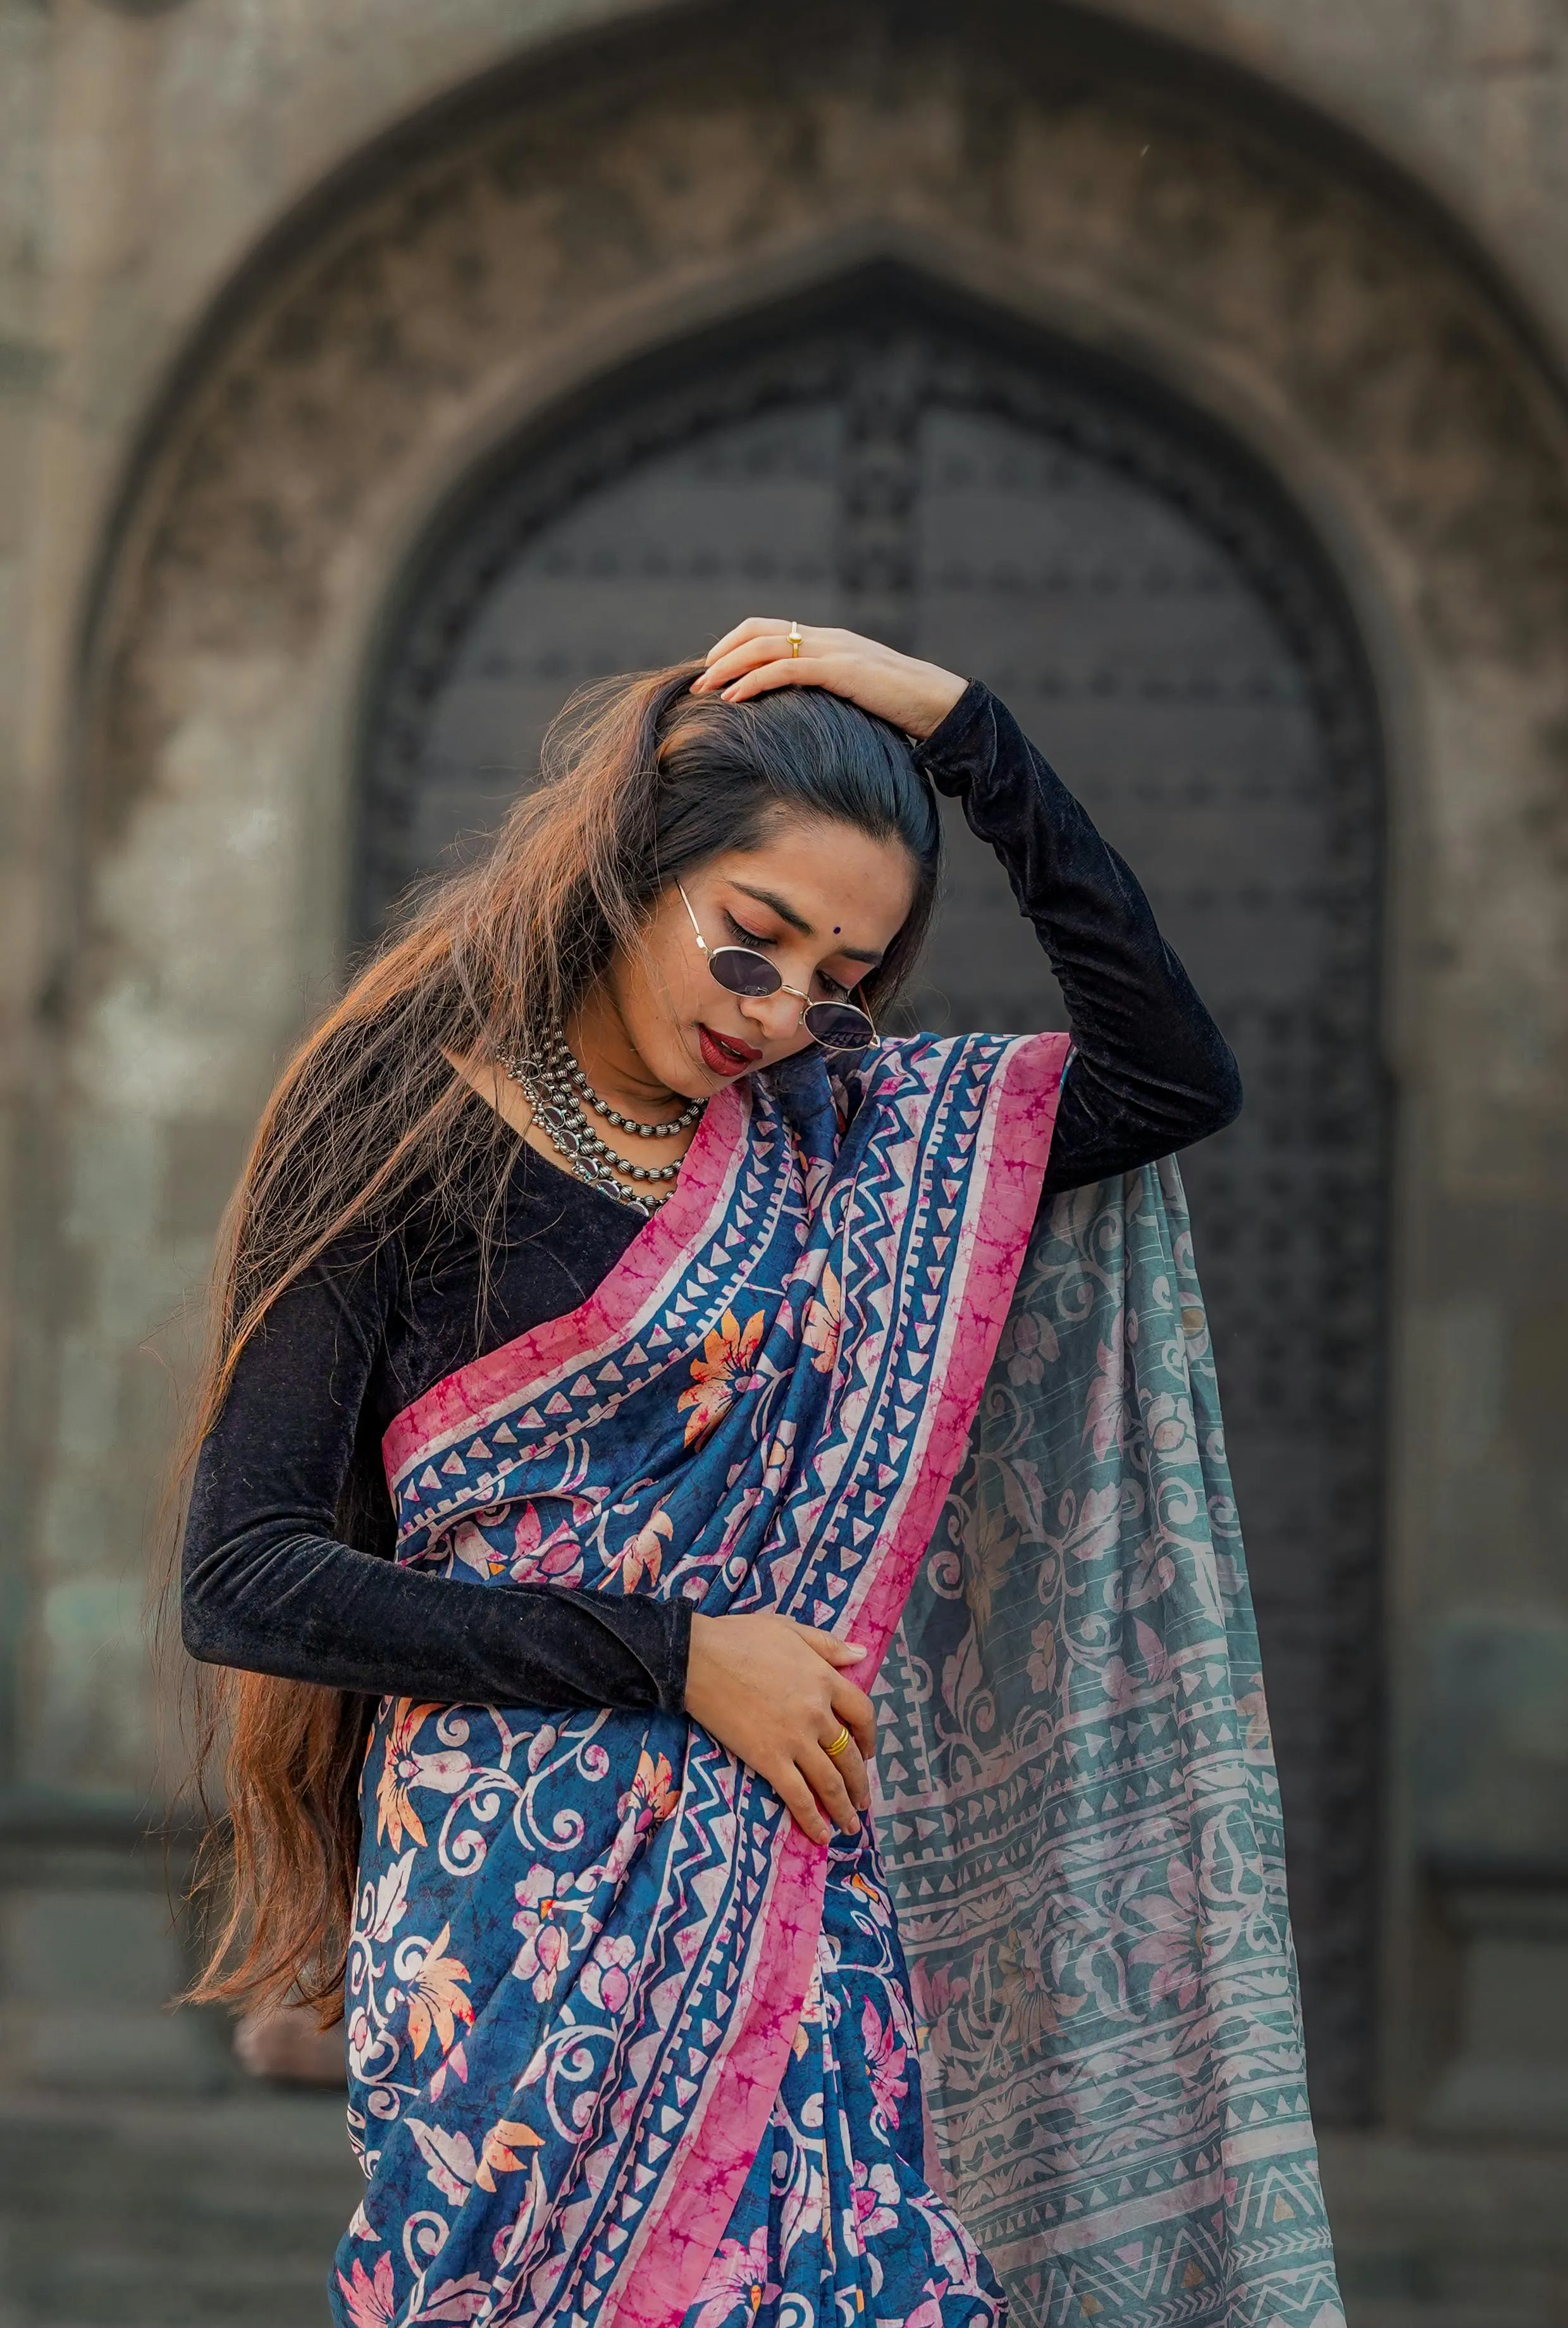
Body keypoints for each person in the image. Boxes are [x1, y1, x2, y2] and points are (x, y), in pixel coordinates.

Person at [180, 623, 1335, 2328]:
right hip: (510, 1941)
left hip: (798, 1900)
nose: (786, 1011)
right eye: (753, 943)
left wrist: (966, 731)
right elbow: (244, 1572)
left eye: (842, 977)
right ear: (632, 868)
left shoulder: (842, 1139)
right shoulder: (407, 1123)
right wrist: (676, 1652)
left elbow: (1170, 1073)